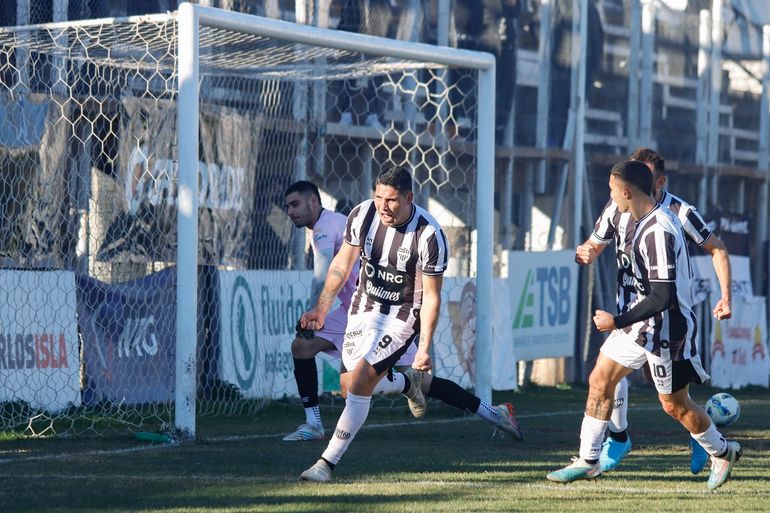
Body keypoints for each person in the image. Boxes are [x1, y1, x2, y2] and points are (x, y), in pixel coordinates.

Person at [298, 167, 521, 482]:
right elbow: (342, 263)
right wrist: (322, 308)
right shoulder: (363, 215)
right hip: (363, 310)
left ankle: (325, 464)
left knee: (361, 381)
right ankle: (412, 385)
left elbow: (431, 297)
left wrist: (424, 349)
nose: (383, 207)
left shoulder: (429, 235)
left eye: (391, 201)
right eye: (378, 198)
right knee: (350, 388)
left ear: (408, 198)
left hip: (401, 317)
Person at [549, 160, 741, 490]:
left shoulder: (659, 229)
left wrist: (615, 321)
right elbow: (600, 246)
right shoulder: (626, 215)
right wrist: (588, 252)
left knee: (675, 406)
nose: (610, 196)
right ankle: (589, 460)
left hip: (667, 329)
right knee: (600, 379)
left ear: (627, 191)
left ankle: (722, 451)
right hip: (636, 325)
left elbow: (663, 296)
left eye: (612, 190)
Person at [282, 180, 425, 441]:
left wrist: (315, 312)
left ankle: (492, 412)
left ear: (314, 200)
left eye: (295, 204)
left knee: (420, 382)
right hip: (350, 311)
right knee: (302, 347)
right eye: (287, 207)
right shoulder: (334, 221)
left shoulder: (324, 227)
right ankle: (313, 424)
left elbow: (322, 274)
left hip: (376, 314)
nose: (290, 212)